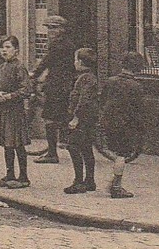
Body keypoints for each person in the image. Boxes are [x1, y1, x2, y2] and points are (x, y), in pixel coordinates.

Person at [99, 52, 149, 199]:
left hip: (109, 122)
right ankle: (116, 187)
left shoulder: (110, 81)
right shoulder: (136, 86)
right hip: (125, 125)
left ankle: (114, 181)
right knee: (122, 155)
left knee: (116, 153)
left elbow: (102, 101)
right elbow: (139, 109)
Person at [29, 15, 78, 164]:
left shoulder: (57, 45)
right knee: (62, 117)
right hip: (64, 84)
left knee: (49, 119)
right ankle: (64, 142)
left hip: (57, 86)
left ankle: (52, 153)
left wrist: (34, 74)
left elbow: (46, 61)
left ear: (61, 30)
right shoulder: (68, 44)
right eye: (49, 28)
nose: (50, 31)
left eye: (53, 28)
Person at [0, 35, 32, 189]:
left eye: (8, 47)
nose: (4, 50)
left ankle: (24, 177)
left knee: (17, 143)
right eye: (2, 48)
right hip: (3, 111)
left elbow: (26, 89)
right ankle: (9, 174)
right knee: (7, 144)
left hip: (15, 111)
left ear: (16, 50)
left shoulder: (19, 67)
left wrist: (9, 96)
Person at [64, 47, 100, 195]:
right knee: (86, 148)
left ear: (79, 62)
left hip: (82, 120)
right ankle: (90, 181)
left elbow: (83, 100)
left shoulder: (85, 78)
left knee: (73, 146)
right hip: (88, 119)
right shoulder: (89, 77)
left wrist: (76, 118)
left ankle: (79, 181)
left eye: (75, 59)